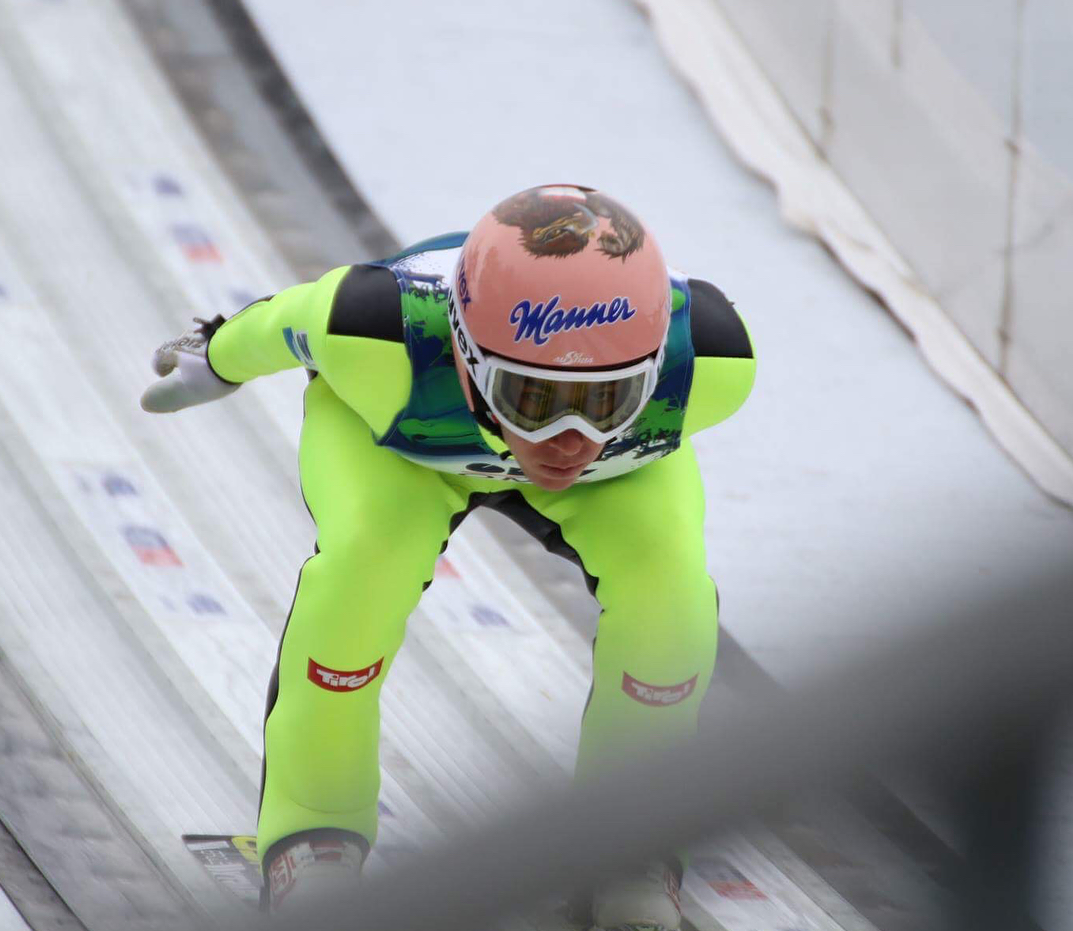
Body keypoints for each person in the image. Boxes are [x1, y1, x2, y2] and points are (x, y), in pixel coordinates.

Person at [141, 184, 755, 930]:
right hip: (406, 457)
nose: (566, 440)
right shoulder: (374, 332)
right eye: (533, 397)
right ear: (460, 353)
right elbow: (282, 321)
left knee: (673, 601)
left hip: (475, 440)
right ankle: (313, 830)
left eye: (606, 400)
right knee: (363, 568)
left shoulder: (713, 361)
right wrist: (215, 355)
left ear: (656, 370)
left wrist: (216, 360)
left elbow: (278, 324)